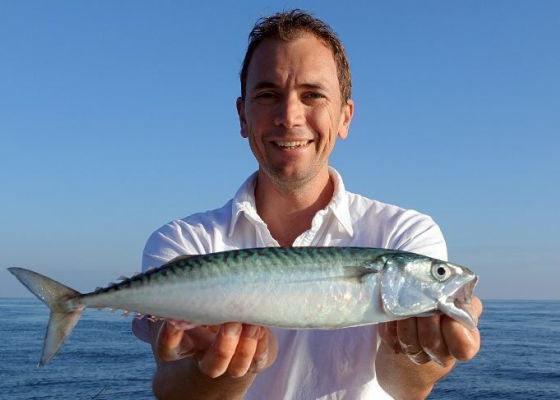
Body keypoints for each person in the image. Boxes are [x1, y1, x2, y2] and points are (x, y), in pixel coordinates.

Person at [132, 9, 482, 400]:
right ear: (242, 115)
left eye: (312, 95)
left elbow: (403, 387)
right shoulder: (183, 241)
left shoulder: (405, 233)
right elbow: (171, 386)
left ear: (345, 117)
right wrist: (221, 378)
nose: (289, 116)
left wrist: (421, 355)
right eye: (267, 95)